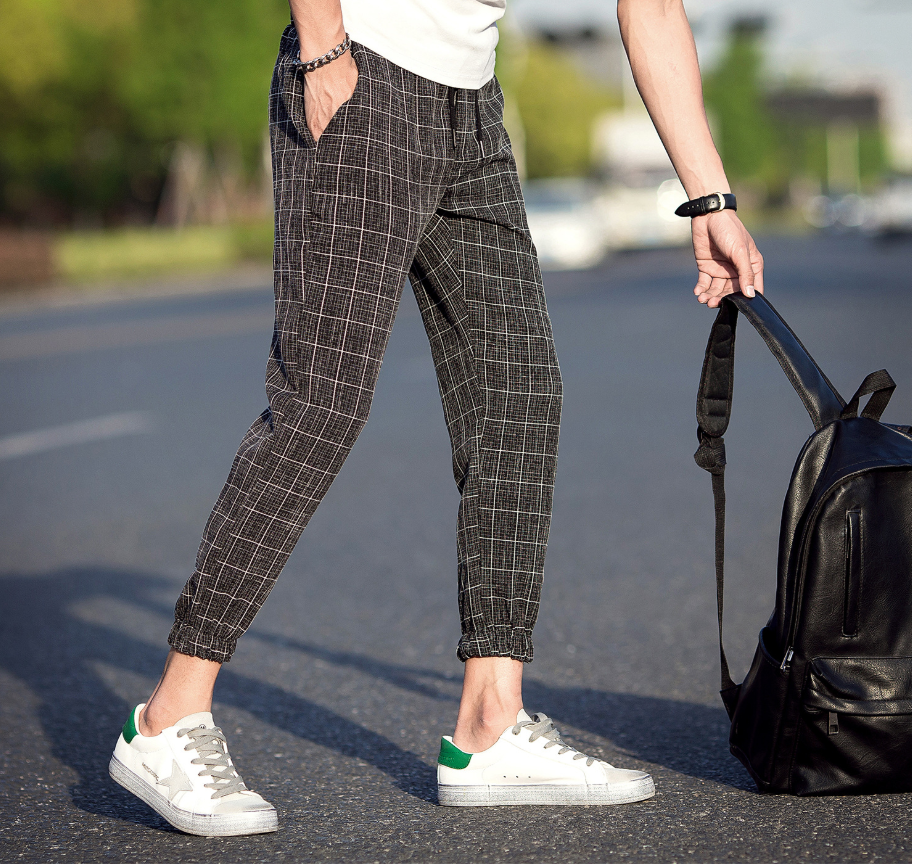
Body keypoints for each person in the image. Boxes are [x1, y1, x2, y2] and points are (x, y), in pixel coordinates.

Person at [108, 0, 764, 836]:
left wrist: (710, 197)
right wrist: (320, 47)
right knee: (322, 404)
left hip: (472, 109)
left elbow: (652, 9)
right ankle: (167, 718)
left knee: (519, 392)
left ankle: (490, 722)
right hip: (363, 75)